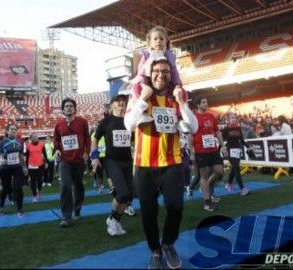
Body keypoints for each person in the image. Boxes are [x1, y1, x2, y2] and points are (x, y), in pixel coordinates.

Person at [124, 56, 198, 269]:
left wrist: (182, 102)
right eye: (156, 70)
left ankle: (168, 243)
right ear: (150, 73)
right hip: (144, 164)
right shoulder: (139, 93)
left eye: (166, 71)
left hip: (171, 161)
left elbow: (193, 127)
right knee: (148, 212)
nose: (161, 74)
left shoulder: (177, 97)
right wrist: (142, 99)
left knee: (176, 206)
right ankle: (155, 251)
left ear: (170, 75)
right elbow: (128, 125)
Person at [91, 94, 133, 236]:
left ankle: (114, 220)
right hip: (112, 161)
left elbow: (134, 141)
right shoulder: (106, 121)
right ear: (112, 105)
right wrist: (95, 157)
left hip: (128, 161)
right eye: (118, 101)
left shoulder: (129, 121)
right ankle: (113, 221)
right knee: (122, 193)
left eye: (123, 101)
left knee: (129, 196)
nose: (121, 103)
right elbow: (95, 139)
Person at [131, 26, 187, 123]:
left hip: (165, 84)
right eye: (155, 39)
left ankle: (179, 116)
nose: (158, 41)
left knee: (179, 93)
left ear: (166, 41)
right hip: (147, 82)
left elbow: (174, 73)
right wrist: (144, 86)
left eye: (161, 39)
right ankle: (142, 114)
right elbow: (141, 73)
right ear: (150, 42)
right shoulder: (145, 54)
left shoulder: (170, 56)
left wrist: (177, 86)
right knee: (136, 89)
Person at [54, 97, 90, 227]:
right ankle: (66, 216)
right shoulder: (59, 124)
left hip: (79, 160)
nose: (69, 108)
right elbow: (56, 140)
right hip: (64, 160)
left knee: (78, 186)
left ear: (75, 109)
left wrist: (87, 152)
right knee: (65, 186)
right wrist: (57, 149)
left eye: (71, 106)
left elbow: (87, 138)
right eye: (66, 106)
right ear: (63, 110)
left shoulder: (82, 122)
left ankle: (77, 208)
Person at [192, 97, 227, 212]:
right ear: (197, 105)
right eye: (203, 102)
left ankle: (206, 188)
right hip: (200, 150)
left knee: (219, 172)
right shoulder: (193, 118)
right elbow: (189, 135)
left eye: (206, 101)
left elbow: (217, 131)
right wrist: (191, 153)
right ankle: (207, 202)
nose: (206, 103)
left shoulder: (211, 116)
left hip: (213, 149)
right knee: (204, 175)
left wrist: (223, 146)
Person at [0, 124, 25, 217]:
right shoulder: (2, 142)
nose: (14, 131)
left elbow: (20, 155)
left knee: (18, 188)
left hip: (17, 167)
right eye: (12, 129)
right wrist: (1, 160)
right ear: (7, 131)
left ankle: (20, 209)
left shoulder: (19, 142)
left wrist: (24, 163)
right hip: (5, 168)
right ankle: (1, 207)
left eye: (15, 130)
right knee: (5, 188)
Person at [222, 115, 250, 195]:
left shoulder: (238, 128)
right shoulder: (226, 129)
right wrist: (220, 149)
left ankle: (228, 184)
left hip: (238, 150)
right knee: (236, 168)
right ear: (228, 120)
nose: (233, 119)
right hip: (230, 150)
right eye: (232, 118)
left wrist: (248, 147)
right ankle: (243, 189)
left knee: (234, 168)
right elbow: (221, 140)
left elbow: (242, 141)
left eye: (235, 118)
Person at [25, 133, 47, 203]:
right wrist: (26, 167)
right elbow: (27, 157)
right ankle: (34, 196)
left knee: (40, 179)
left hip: (40, 164)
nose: (36, 137)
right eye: (34, 136)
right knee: (33, 181)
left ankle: (39, 191)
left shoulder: (41, 144)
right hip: (32, 165)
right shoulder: (28, 146)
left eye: (36, 136)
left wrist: (46, 162)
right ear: (30, 138)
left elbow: (45, 153)